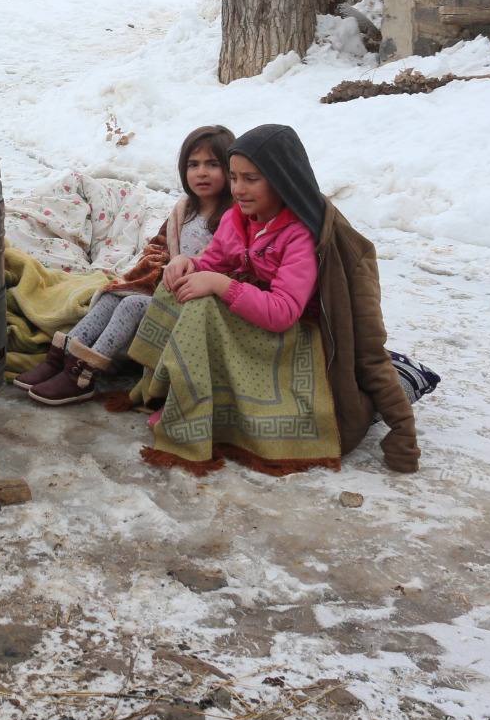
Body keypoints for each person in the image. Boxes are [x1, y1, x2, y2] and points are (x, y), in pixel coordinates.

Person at [126, 125, 420, 476]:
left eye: (251, 178)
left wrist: (403, 435)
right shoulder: (238, 218)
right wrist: (188, 264)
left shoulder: (301, 234)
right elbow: (212, 264)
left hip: (295, 338)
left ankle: (196, 411)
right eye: (234, 177)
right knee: (180, 289)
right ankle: (177, 396)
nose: (237, 188)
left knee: (204, 303)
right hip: (255, 322)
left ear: (282, 180)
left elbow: (283, 313)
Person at [18, 125, 235, 405]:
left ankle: (85, 373)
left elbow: (225, 265)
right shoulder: (185, 209)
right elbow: (159, 247)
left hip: (197, 301)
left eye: (212, 164)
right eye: (193, 164)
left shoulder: (231, 217)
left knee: (131, 305)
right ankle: (64, 355)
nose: (201, 172)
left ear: (230, 169)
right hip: (169, 289)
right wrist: (141, 280)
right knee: (113, 295)